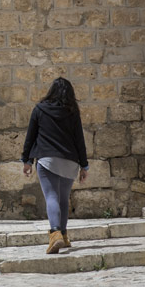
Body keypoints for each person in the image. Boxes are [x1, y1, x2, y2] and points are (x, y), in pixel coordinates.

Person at [21, 77, 89, 254]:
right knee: (63, 199)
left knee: (51, 196)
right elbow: (79, 140)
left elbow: (30, 137)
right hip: (70, 161)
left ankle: (55, 234)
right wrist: (84, 166)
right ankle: (64, 236)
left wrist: (27, 161)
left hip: (47, 159)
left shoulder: (39, 109)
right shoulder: (73, 112)